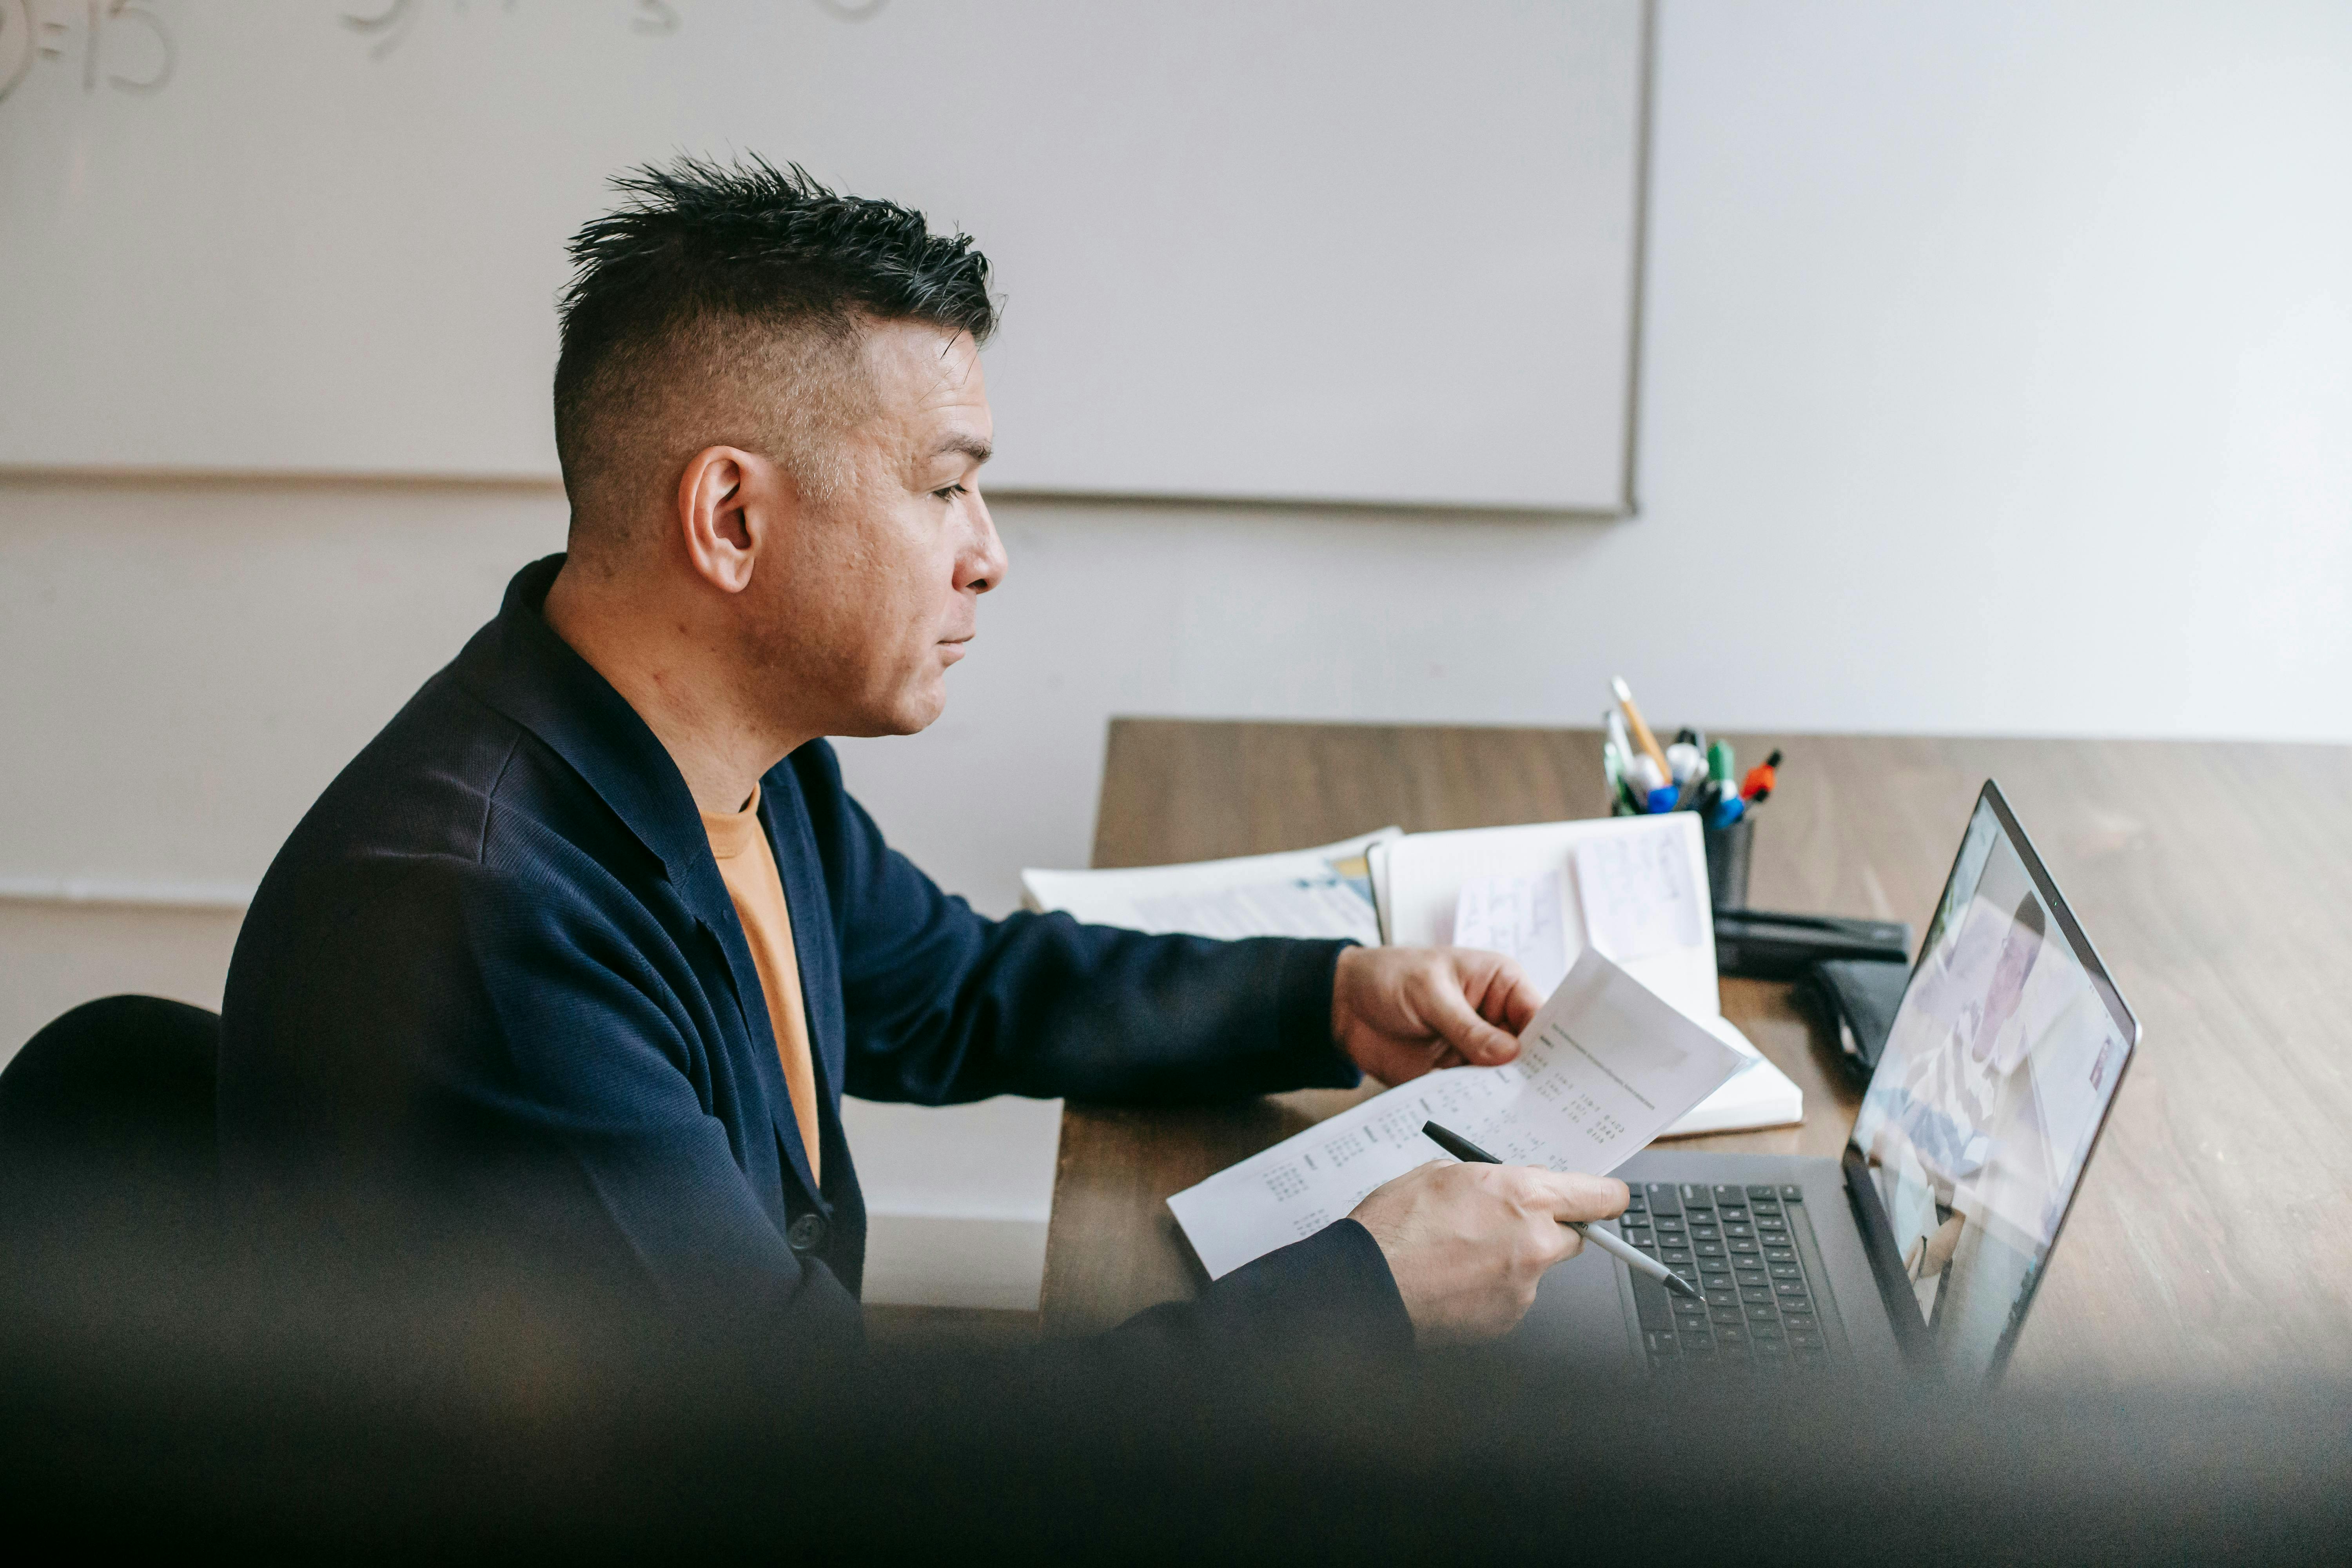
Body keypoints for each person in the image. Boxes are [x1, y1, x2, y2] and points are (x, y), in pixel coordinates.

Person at [218, 157, 1625, 1357]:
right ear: (730, 520)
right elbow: (817, 1465)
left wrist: (1329, 1000)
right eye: (945, 487)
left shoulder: (743, 765)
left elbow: (954, 990)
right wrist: (1363, 1298)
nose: (989, 555)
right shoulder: (489, 924)